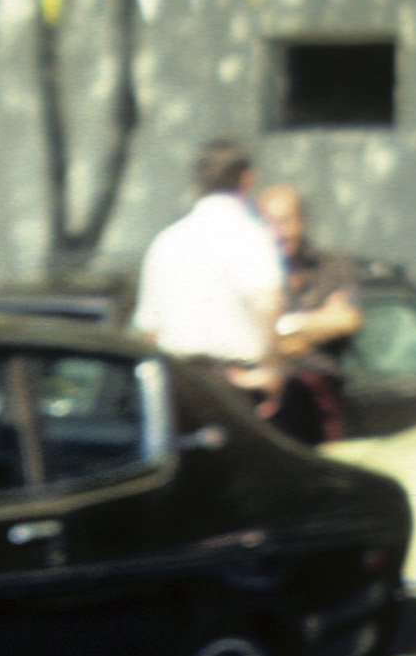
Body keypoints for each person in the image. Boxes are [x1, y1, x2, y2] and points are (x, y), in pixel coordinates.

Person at [135, 140, 285, 402]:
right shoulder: (252, 236)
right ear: (247, 180)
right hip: (235, 381)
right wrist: (271, 368)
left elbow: (150, 328)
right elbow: (267, 304)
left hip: (177, 381)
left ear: (198, 183)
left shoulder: (167, 241)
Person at [258, 182, 362, 447]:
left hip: (323, 404)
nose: (277, 232)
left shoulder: (333, 266)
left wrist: (281, 329)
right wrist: (317, 325)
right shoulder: (253, 276)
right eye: (268, 223)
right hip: (269, 408)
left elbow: (347, 319)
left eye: (285, 222)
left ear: (302, 223)